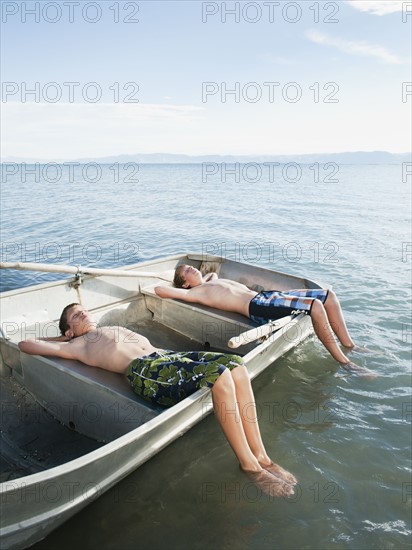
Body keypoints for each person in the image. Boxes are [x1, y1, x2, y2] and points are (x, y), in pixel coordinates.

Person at [18, 302, 296, 498]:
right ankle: (249, 465)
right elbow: (26, 345)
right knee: (220, 376)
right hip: (146, 372)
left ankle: (262, 455)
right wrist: (63, 338)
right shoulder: (76, 344)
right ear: (69, 331)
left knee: (237, 364)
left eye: (84, 310)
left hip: (165, 357)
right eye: (77, 315)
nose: (85, 314)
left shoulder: (105, 329)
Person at [154, 265, 376, 377]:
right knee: (315, 306)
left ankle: (350, 346)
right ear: (184, 284)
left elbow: (211, 276)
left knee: (327, 295)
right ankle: (345, 364)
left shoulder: (211, 280)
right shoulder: (195, 293)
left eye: (191, 266)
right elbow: (160, 290)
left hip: (266, 297)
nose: (192, 268)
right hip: (256, 307)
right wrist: (179, 286)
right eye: (187, 271)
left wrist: (206, 277)